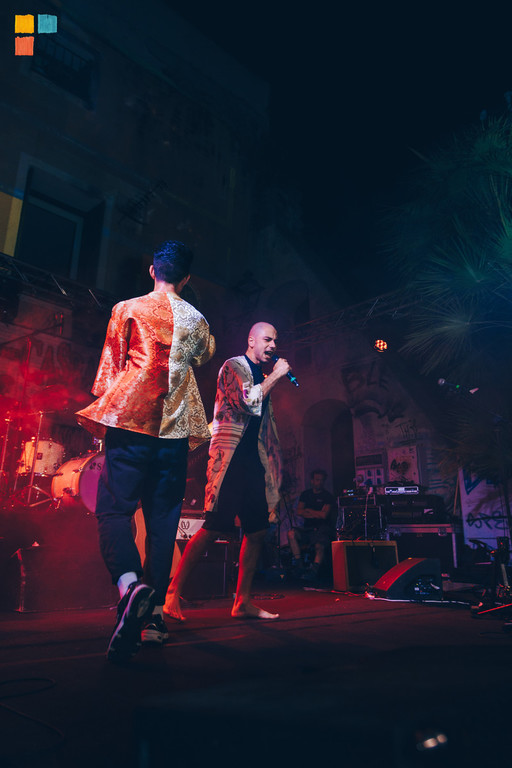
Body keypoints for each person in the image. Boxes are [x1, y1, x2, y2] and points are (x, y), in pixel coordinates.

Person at [76, 240, 215, 662]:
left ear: (153, 270)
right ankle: (154, 619)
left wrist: (107, 416)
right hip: (175, 432)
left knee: (114, 511)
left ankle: (129, 587)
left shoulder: (127, 309)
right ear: (186, 278)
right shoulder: (197, 319)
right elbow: (204, 355)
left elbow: (109, 373)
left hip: (132, 424)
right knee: (162, 522)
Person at [164, 322, 291, 621]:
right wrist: (277, 375)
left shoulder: (261, 375)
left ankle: (242, 602)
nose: (273, 346)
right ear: (251, 340)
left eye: (275, 341)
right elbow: (248, 402)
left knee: (257, 531)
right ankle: (172, 593)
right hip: (230, 459)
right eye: (267, 339)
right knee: (214, 527)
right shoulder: (234, 366)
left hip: (253, 461)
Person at [288, 469, 336, 581]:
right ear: (312, 481)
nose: (319, 482)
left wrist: (309, 510)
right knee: (291, 534)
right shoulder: (305, 494)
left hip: (321, 529)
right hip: (307, 529)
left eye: (321, 480)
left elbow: (324, 515)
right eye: (317, 480)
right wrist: (317, 513)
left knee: (320, 546)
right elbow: (299, 511)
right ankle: (299, 565)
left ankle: (314, 570)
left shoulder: (327, 496)